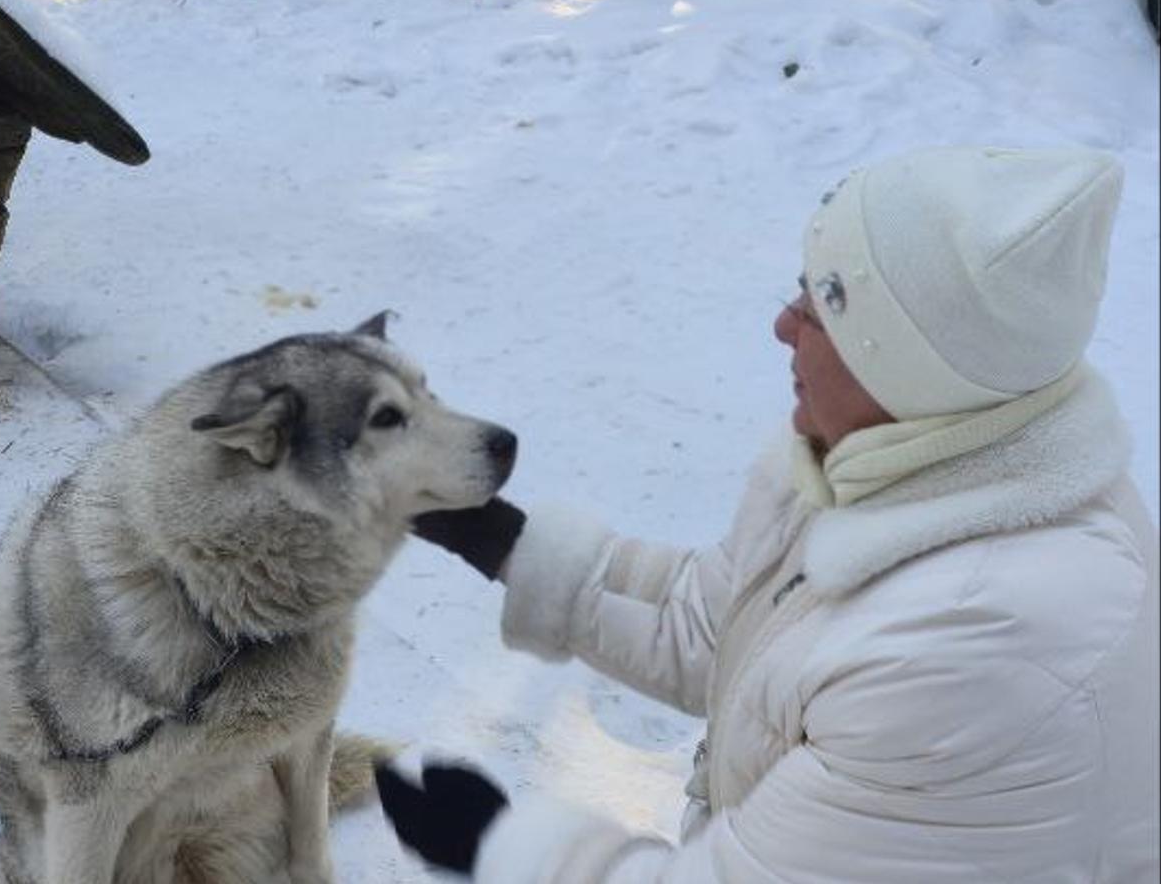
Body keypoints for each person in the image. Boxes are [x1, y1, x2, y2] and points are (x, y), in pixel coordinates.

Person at [373, 146, 1160, 883]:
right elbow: (719, 630)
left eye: (822, 312)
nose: (782, 324)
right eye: (800, 289)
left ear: (907, 365)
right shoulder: (880, 457)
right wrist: (501, 542)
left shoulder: (978, 647)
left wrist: (506, 847)